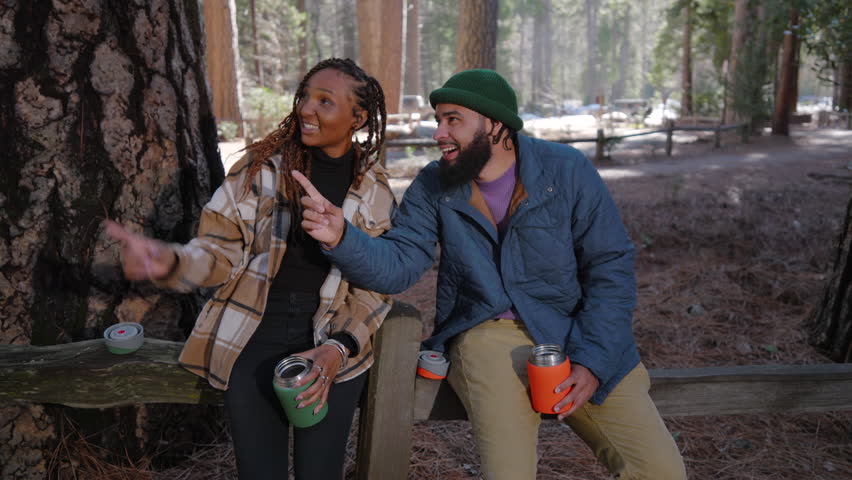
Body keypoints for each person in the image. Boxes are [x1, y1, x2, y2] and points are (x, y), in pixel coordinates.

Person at [294, 69, 687, 480]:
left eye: (453, 119)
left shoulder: (566, 170)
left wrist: (592, 361)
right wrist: (342, 237)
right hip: (485, 335)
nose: (438, 133)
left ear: (495, 124)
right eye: (438, 120)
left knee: (661, 470)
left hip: (576, 331)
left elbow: (610, 267)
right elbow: (400, 264)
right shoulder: (434, 183)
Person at [105, 58, 396, 480]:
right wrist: (172, 261)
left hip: (331, 343)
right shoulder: (260, 169)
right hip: (252, 335)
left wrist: (339, 348)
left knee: (321, 472)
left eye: (325, 101)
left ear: (358, 117)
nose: (306, 109)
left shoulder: (376, 190)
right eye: (305, 96)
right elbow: (218, 252)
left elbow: (376, 284)